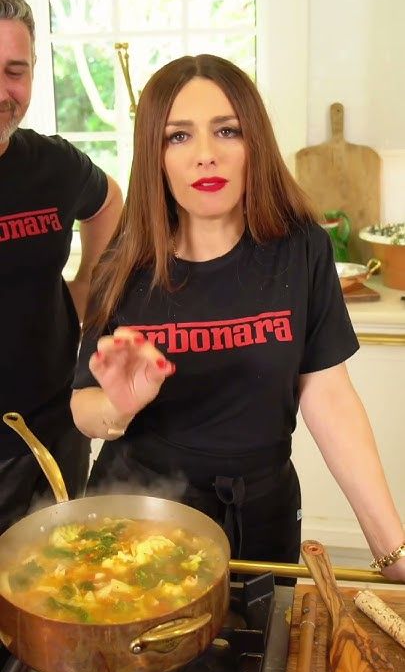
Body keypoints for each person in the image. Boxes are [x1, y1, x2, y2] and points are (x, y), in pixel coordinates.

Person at [71, 54, 405, 583]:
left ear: (256, 144)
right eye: (178, 137)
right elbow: (84, 409)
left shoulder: (301, 250)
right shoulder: (124, 264)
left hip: (262, 519)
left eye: (227, 130)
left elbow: (328, 395)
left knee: (269, 661)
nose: (206, 155)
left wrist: (393, 552)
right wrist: (117, 405)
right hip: (140, 519)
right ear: (153, 155)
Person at [0, 0, 123, 533]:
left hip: (54, 425)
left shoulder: (54, 165)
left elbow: (109, 203)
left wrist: (86, 286)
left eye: (14, 71)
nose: (3, 91)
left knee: (59, 591)